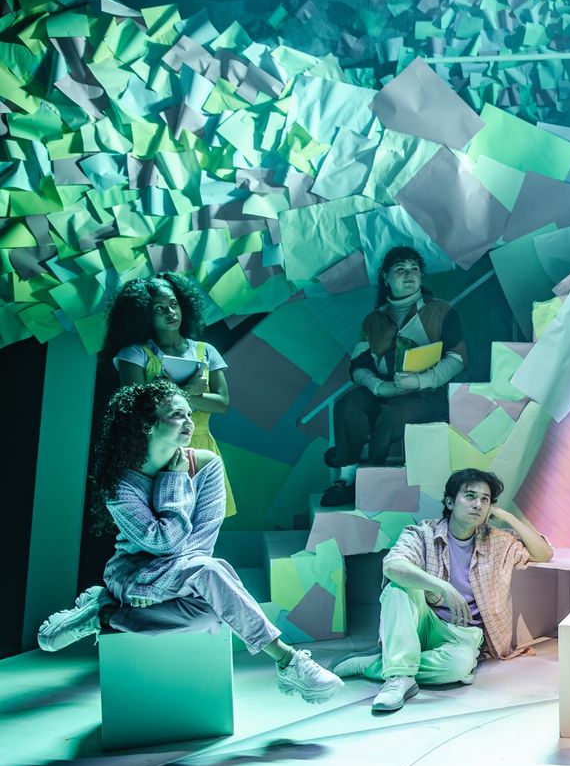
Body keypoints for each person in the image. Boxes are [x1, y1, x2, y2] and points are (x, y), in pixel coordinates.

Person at [38, 381, 343, 703]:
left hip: (181, 571)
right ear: (146, 424)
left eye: (189, 413)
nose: (188, 422)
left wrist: (158, 582)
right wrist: (174, 480)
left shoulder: (207, 464)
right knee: (209, 572)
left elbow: (201, 541)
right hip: (132, 575)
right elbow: (164, 542)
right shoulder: (120, 484)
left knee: (207, 617)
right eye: (176, 415)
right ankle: (287, 660)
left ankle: (103, 613)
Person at [330, 468, 554, 712]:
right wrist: (441, 586)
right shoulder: (423, 533)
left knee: (458, 667)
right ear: (450, 502)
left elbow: (543, 553)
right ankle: (398, 678)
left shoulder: (497, 540)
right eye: (470, 496)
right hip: (426, 623)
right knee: (398, 587)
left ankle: (379, 665)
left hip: (464, 635)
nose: (478, 505)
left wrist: (507, 516)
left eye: (485, 499)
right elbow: (393, 566)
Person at [322, 247, 467, 506]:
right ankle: (346, 479)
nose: (409, 275)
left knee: (394, 415)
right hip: (384, 391)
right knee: (348, 405)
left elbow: (458, 358)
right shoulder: (373, 320)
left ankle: (372, 476)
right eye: (400, 269)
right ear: (386, 277)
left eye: (414, 269)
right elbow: (358, 366)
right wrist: (379, 387)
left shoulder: (442, 311)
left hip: (426, 395)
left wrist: (421, 381)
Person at [104, 273, 236, 517]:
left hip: (202, 446)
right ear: (144, 314)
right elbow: (135, 408)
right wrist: (188, 392)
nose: (171, 312)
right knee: (163, 522)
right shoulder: (134, 354)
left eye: (173, 304)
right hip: (155, 453)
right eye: (160, 308)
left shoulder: (207, 351)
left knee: (204, 522)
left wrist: (177, 394)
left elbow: (222, 404)